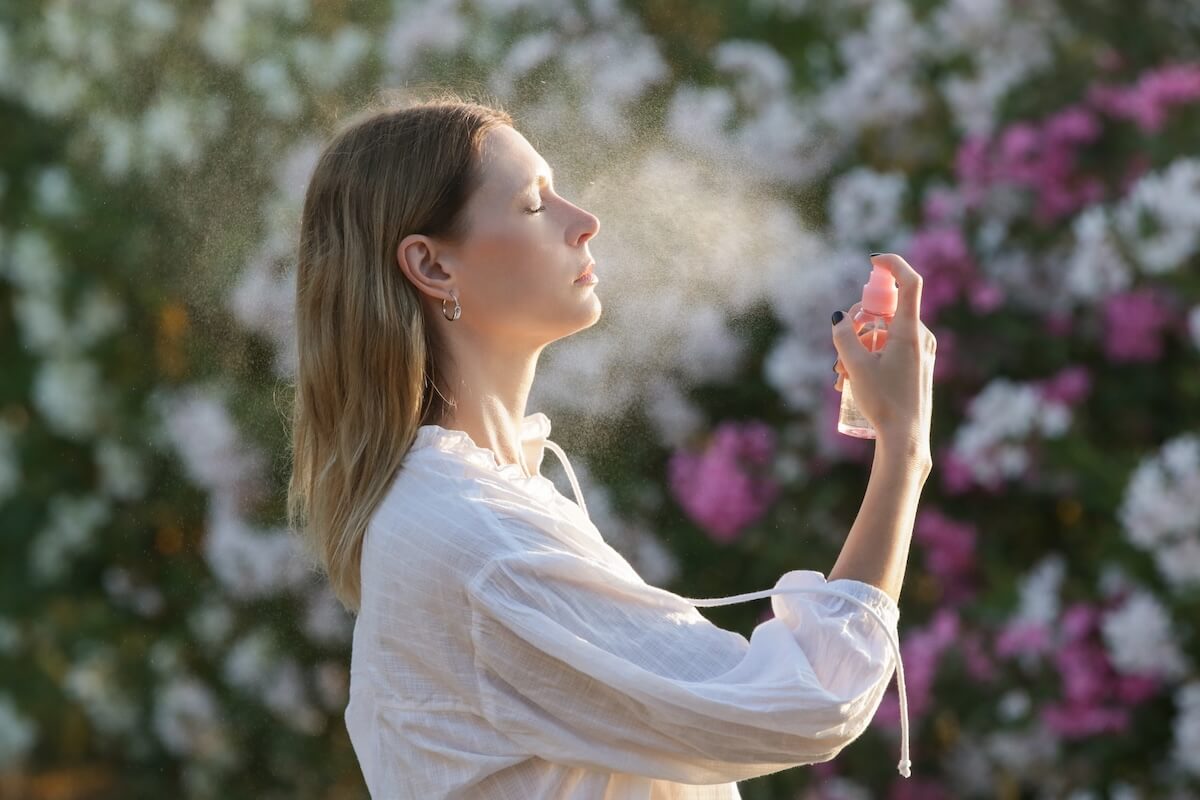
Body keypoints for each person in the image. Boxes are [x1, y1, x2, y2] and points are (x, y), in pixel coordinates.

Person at [286, 88, 936, 799]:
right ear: (434, 267)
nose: (585, 221)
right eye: (534, 204)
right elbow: (806, 700)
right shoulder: (480, 539)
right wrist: (903, 449)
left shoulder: (474, 504)